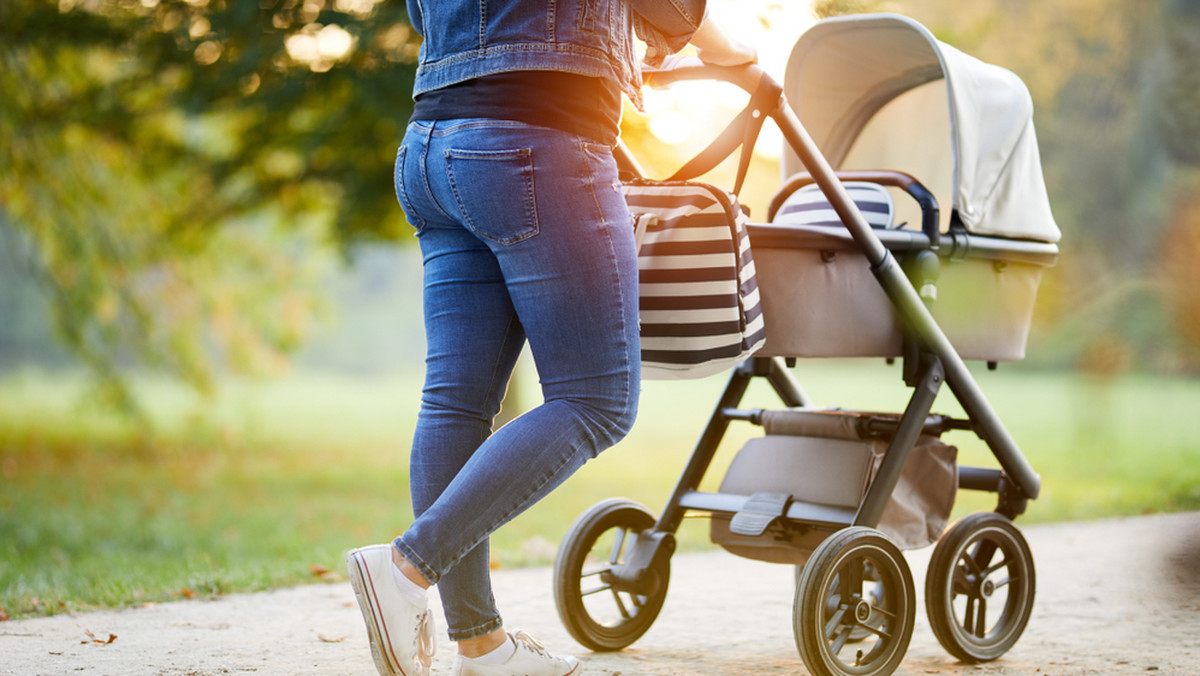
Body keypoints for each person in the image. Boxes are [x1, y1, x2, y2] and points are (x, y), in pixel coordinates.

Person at [345, 2, 755, 675]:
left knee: (457, 403)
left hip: (430, 146)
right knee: (597, 401)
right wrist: (732, 52)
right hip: (537, 139)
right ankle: (404, 568)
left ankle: (480, 646)